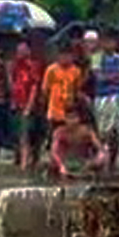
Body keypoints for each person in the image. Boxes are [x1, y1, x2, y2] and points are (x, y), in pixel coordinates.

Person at [39, 42, 84, 170]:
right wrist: (45, 106)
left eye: (68, 56)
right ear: (58, 56)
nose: (65, 58)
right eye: (63, 55)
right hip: (54, 110)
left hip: (69, 111)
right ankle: (54, 163)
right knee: (54, 138)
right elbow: (45, 90)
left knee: (68, 139)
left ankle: (65, 163)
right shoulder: (51, 70)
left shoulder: (76, 71)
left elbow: (77, 89)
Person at [92, 33, 119, 171]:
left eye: (111, 41)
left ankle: (113, 162)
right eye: (106, 41)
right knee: (102, 131)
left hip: (117, 97)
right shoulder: (97, 57)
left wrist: (109, 77)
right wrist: (114, 77)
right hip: (102, 97)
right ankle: (103, 161)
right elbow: (98, 77)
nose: (109, 44)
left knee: (117, 131)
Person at [9, 41, 44, 168]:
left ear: (29, 51)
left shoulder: (33, 66)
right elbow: (13, 84)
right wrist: (13, 102)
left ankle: (25, 165)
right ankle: (21, 161)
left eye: (23, 50)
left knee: (26, 135)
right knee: (18, 135)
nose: (20, 53)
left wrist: (29, 106)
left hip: (30, 106)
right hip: (17, 104)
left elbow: (34, 87)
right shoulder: (15, 66)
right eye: (18, 51)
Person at [50, 102, 107, 180]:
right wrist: (61, 165)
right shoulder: (59, 132)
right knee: (53, 162)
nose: (71, 121)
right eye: (69, 118)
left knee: (102, 156)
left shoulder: (86, 131)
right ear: (65, 118)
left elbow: (99, 147)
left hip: (84, 162)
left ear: (79, 118)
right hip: (65, 163)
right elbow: (54, 151)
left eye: (74, 117)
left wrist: (96, 159)